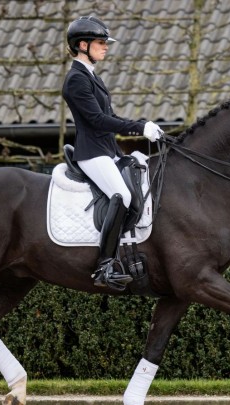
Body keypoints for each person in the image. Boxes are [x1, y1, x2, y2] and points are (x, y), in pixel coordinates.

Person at [62, 16, 163, 290]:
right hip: (92, 153)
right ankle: (104, 266)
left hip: (108, 150)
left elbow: (110, 117)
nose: (105, 47)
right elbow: (96, 120)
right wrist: (140, 127)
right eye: (100, 42)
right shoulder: (75, 80)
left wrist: (143, 126)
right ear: (82, 45)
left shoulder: (93, 77)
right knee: (122, 195)